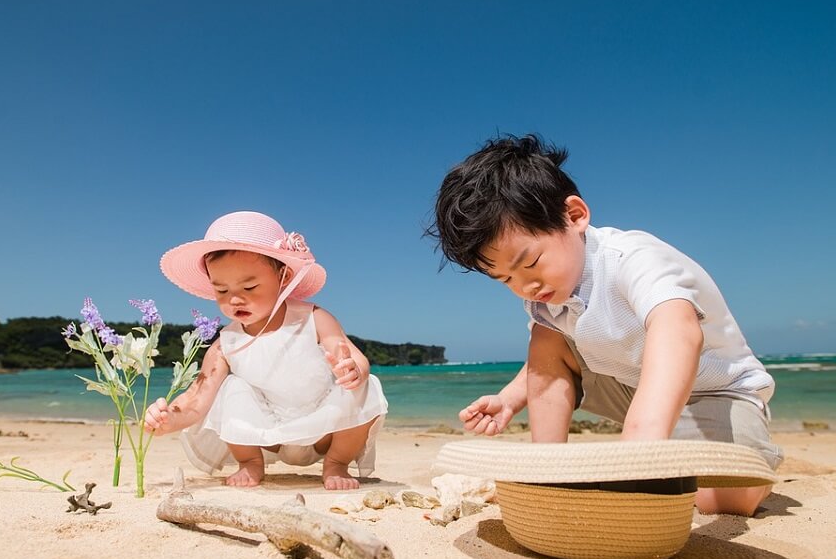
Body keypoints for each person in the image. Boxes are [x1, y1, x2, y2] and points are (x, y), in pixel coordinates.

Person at [426, 135, 782, 516]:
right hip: (633, 388)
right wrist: (510, 399)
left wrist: (638, 444)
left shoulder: (632, 258)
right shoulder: (546, 295)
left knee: (732, 500)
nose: (524, 286)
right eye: (504, 280)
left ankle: (685, 451)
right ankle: (549, 468)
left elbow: (679, 331)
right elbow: (549, 361)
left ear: (575, 216)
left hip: (719, 392)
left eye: (530, 263)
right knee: (547, 337)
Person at [144, 211, 388, 490]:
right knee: (230, 387)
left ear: (283, 277)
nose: (235, 298)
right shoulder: (227, 343)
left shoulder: (313, 317)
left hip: (326, 430)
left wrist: (352, 369)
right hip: (269, 436)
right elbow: (198, 398)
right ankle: (249, 462)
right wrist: (169, 418)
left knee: (364, 387)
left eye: (250, 286)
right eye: (221, 290)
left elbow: (349, 353)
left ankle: (336, 463)